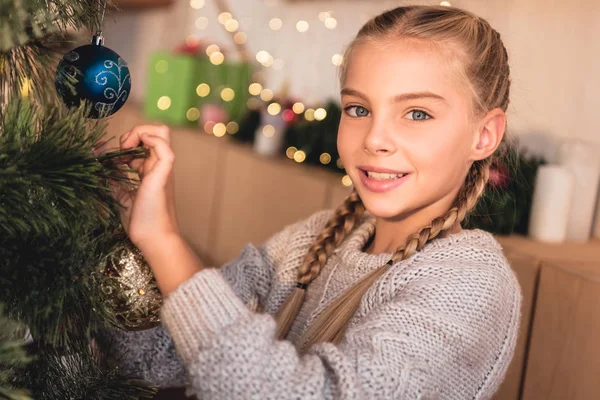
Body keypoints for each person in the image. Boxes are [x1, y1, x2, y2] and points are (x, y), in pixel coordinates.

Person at [103, 5, 522, 399]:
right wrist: (119, 230)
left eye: (416, 114)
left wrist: (165, 241)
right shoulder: (310, 241)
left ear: (484, 135)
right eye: (358, 109)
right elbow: (156, 357)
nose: (374, 139)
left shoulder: (471, 283)